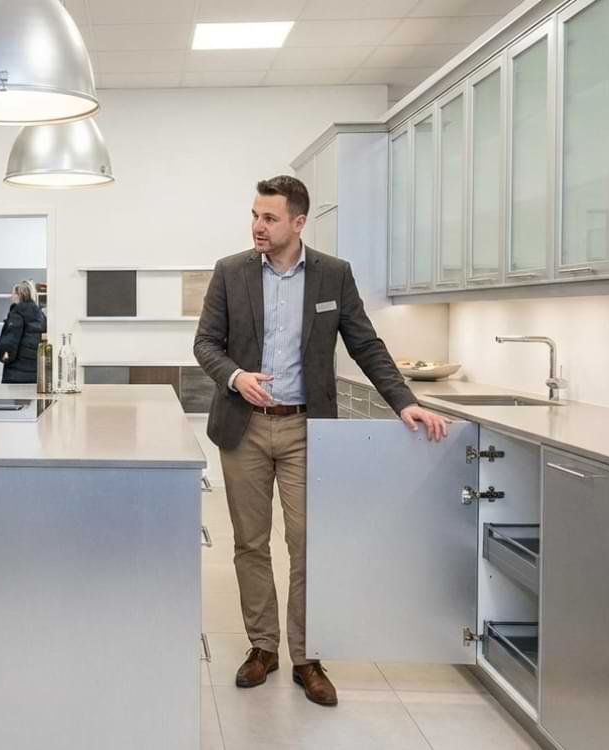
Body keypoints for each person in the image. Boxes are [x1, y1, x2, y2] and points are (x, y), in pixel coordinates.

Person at [193, 175, 450, 708]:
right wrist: (236, 376)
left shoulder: (333, 274)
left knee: (308, 542)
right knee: (250, 542)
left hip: (306, 428)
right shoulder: (230, 271)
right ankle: (263, 647)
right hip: (242, 426)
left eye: (269, 218)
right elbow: (206, 344)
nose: (258, 226)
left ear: (298, 222)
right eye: (255, 215)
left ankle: (308, 655)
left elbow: (365, 344)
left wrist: (404, 401)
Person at [0, 280, 46, 384]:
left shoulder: (16, 314)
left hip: (16, 375)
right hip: (36, 374)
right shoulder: (40, 316)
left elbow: (9, 343)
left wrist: (4, 357)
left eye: (13, 293)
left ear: (19, 295)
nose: (11, 296)